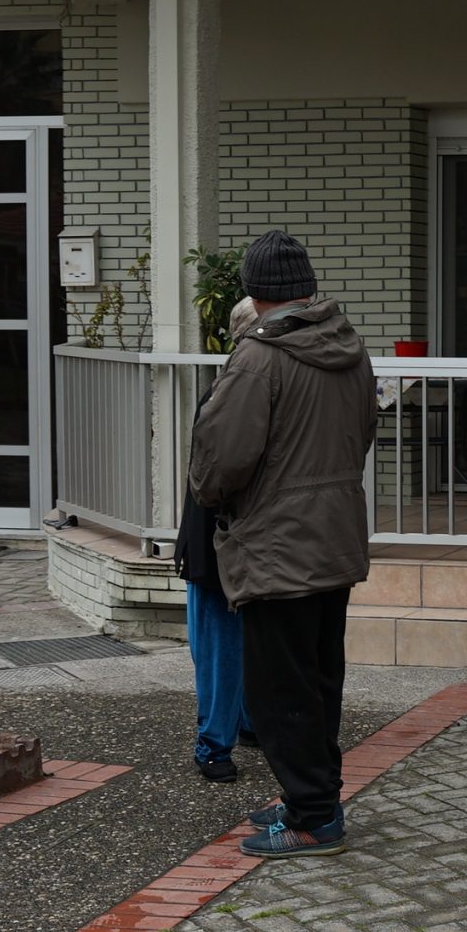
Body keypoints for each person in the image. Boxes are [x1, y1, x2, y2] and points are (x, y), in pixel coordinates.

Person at [190, 230, 378, 859]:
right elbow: (363, 433)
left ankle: (314, 818)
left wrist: (214, 497)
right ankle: (313, 798)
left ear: (254, 290)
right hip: (333, 541)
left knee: (278, 693)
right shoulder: (349, 347)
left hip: (276, 549)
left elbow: (220, 460)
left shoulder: (259, 357)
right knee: (318, 683)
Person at [171, 299, 261, 782]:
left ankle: (244, 724)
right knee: (221, 650)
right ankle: (212, 745)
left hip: (233, 538)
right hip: (214, 541)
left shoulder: (237, 384)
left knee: (241, 642)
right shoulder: (228, 391)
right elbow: (216, 476)